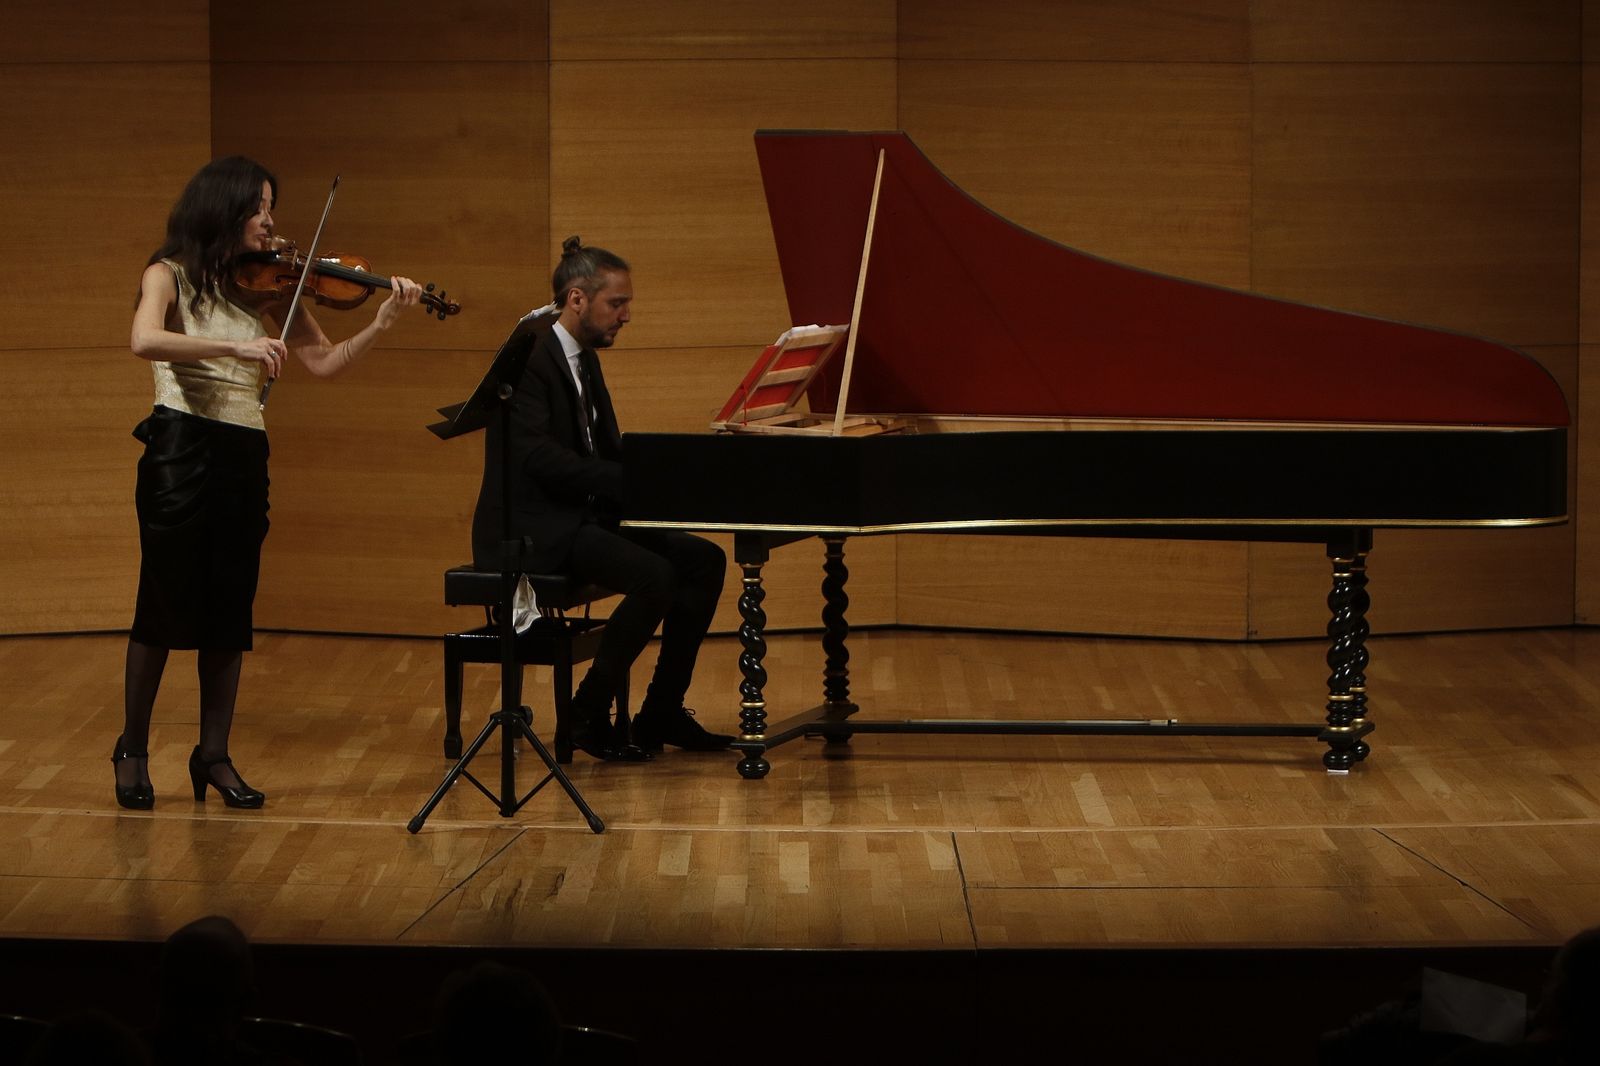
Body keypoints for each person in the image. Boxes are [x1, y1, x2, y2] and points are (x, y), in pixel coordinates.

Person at [113, 156, 424, 810]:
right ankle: (133, 748)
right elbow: (144, 341)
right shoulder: (167, 274)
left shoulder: (271, 288)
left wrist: (380, 323)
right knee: (162, 601)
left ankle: (213, 754)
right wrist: (237, 348)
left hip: (243, 450)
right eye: (257, 207)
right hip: (180, 445)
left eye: (269, 207)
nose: (269, 220)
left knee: (231, 606)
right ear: (222, 209)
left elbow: (325, 362)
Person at [471, 236, 730, 761]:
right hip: (537, 526)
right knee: (655, 576)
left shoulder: (583, 358)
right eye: (617, 303)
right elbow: (537, 459)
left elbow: (607, 447)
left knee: (704, 560)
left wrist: (665, 477)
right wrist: (623, 482)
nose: (626, 315)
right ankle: (586, 714)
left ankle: (661, 711)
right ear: (577, 299)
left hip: (580, 515)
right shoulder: (529, 357)